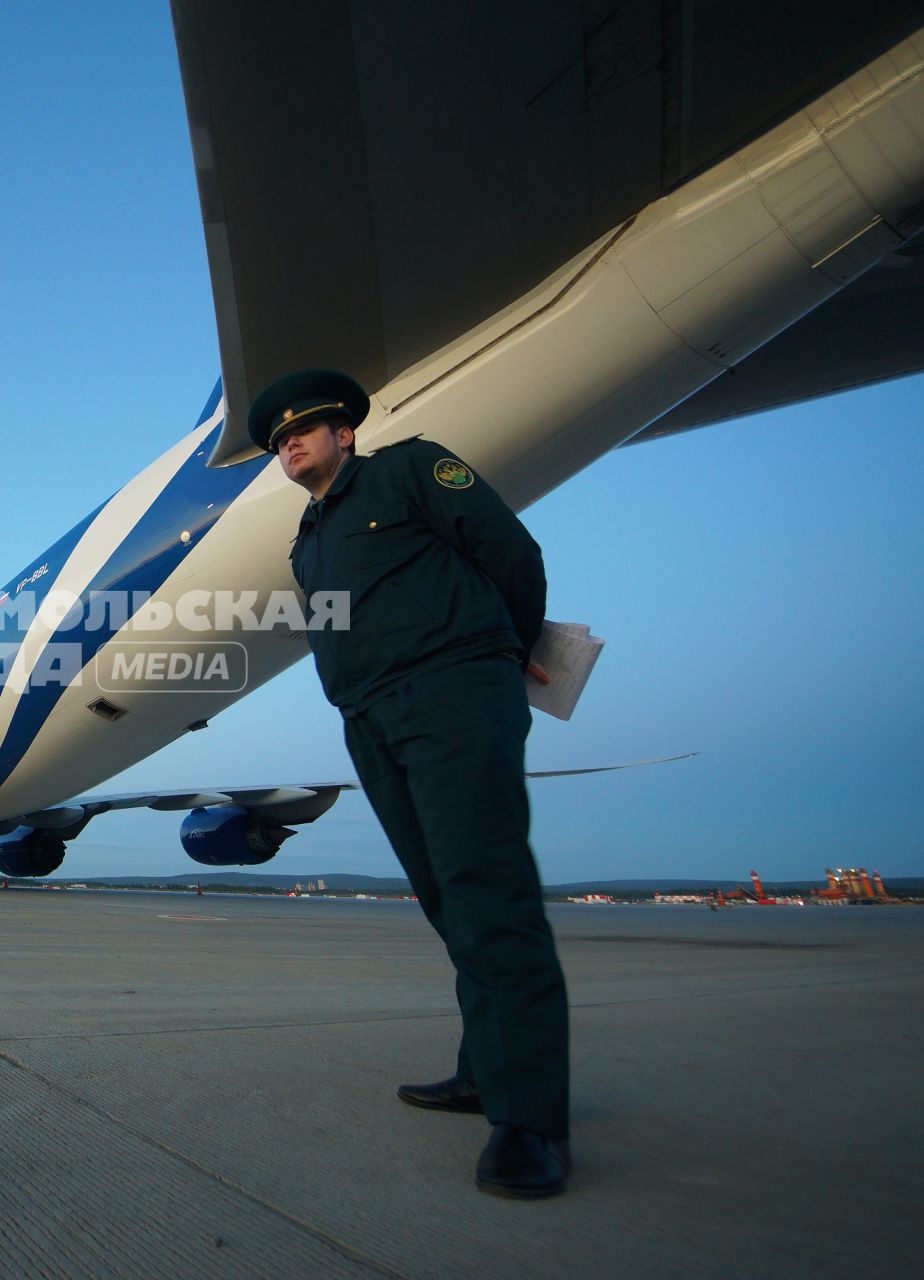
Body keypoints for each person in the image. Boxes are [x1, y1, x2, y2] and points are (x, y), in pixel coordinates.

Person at [253, 368, 570, 1199]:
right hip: (371, 719)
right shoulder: (307, 539)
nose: (290, 442)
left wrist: (506, 645)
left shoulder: (410, 469)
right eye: (279, 439)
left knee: (487, 888)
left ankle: (530, 1119)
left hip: (454, 690)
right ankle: (486, 1071)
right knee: (444, 893)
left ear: (344, 433)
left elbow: (510, 553)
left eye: (304, 429)